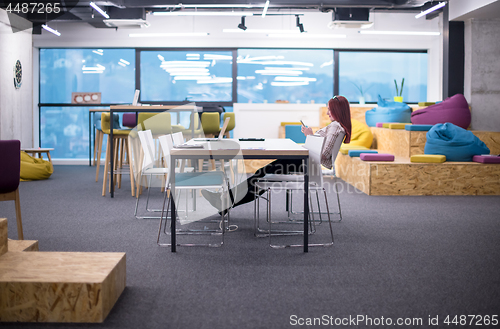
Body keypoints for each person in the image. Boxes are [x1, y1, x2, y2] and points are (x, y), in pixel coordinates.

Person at [202, 95, 352, 212]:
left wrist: (310, 136)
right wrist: (310, 136)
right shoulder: (338, 127)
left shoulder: (335, 126)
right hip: (303, 161)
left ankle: (224, 202)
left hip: (303, 163)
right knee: (260, 174)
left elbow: (324, 155)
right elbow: (322, 151)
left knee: (260, 177)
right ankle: (225, 202)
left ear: (338, 110)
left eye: (330, 109)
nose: (327, 113)